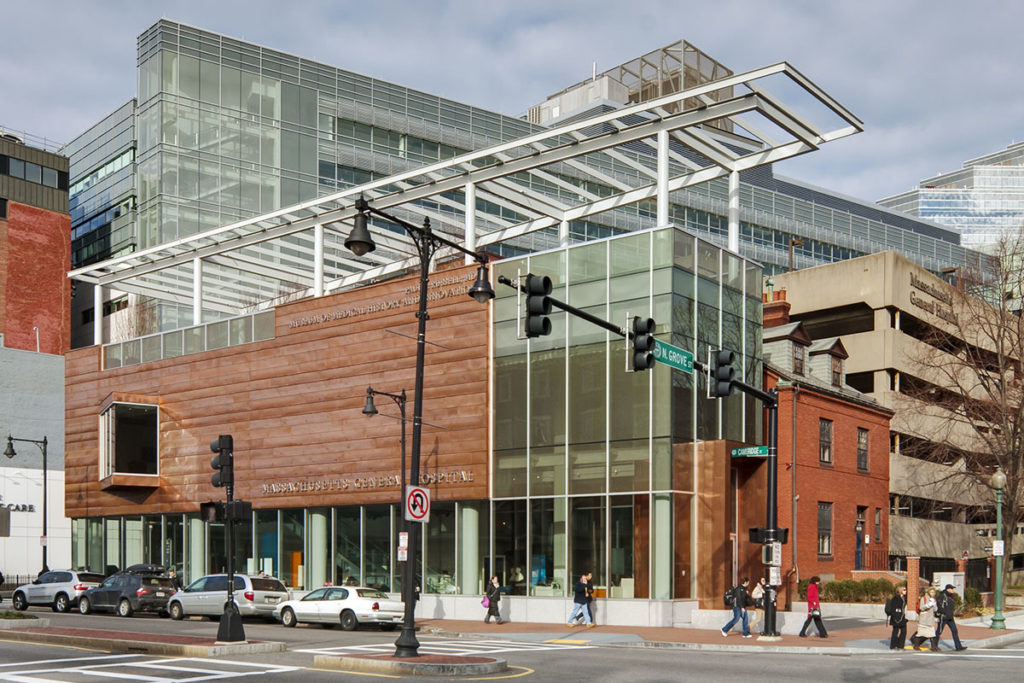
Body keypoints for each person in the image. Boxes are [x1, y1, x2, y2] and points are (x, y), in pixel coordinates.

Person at [935, 584, 966, 651]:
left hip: (950, 618)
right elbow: (939, 606)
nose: (953, 590)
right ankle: (934, 645)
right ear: (947, 589)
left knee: (954, 631)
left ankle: (958, 647)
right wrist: (944, 613)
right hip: (943, 617)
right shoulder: (942, 596)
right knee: (939, 631)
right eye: (951, 589)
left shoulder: (951, 596)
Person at [911, 586, 939, 651]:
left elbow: (935, 609)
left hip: (930, 619)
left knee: (932, 633)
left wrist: (934, 604)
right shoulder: (924, 598)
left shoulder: (933, 599)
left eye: (934, 592)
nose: (933, 593)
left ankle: (933, 647)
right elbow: (921, 607)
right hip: (924, 619)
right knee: (921, 633)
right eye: (931, 592)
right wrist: (928, 605)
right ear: (928, 592)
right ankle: (916, 645)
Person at [885, 585, 908, 650]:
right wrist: (895, 618)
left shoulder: (903, 598)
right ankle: (893, 645)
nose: (905, 591)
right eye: (904, 590)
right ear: (900, 591)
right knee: (895, 631)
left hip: (902, 617)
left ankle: (900, 645)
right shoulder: (895, 598)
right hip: (896, 618)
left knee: (904, 631)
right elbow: (893, 609)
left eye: (905, 590)